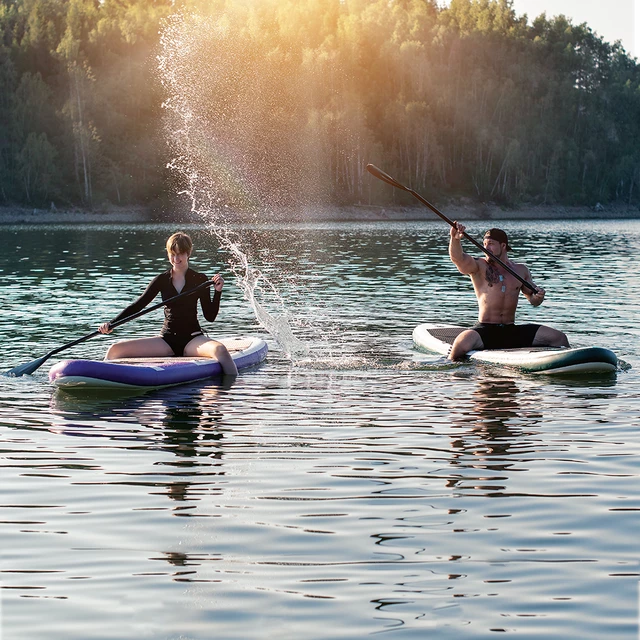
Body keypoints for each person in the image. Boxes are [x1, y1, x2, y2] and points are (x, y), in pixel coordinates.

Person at [98, 231, 238, 376]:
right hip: (166, 340)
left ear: (188, 253)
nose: (176, 258)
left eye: (180, 254)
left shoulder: (200, 279)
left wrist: (218, 292)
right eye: (172, 254)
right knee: (115, 349)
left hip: (193, 340)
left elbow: (210, 316)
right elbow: (138, 306)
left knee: (220, 350)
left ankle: (230, 391)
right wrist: (111, 324)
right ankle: (101, 378)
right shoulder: (161, 280)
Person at [447, 223, 569, 361]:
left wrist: (539, 296)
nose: (486, 248)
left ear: (503, 246)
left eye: (491, 244)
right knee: (460, 345)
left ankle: (561, 364)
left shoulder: (520, 270)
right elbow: (458, 258)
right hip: (486, 329)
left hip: (511, 330)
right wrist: (455, 238)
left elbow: (533, 299)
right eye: (484, 244)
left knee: (559, 338)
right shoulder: (480, 266)